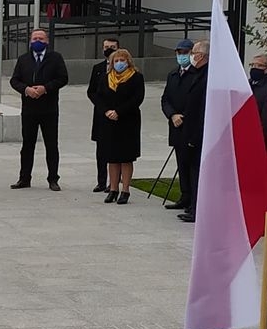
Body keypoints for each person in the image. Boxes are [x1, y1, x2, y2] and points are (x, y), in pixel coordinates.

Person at [9, 24, 69, 190]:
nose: (37, 41)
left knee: (51, 144)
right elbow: (14, 80)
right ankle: (24, 178)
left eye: (41, 39)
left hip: (49, 109)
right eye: (35, 39)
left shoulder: (55, 57)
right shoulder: (23, 59)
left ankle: (53, 179)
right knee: (27, 145)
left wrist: (45, 88)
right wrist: (26, 89)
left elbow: (63, 78)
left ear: (47, 41)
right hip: (29, 109)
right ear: (30, 41)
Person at [86, 39, 146, 204]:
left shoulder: (136, 77)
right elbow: (98, 96)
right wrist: (107, 111)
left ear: (128, 61)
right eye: (117, 61)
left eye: (122, 60)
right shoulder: (107, 78)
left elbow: (137, 98)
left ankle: (125, 190)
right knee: (111, 157)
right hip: (108, 122)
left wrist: (119, 111)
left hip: (127, 121)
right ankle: (113, 188)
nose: (119, 63)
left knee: (125, 157)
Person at [160, 38, 208, 221]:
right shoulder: (173, 74)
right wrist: (172, 114)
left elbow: (197, 103)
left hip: (191, 127)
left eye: (188, 52)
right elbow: (165, 98)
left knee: (194, 167)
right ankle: (185, 196)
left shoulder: (198, 75)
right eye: (179, 53)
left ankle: (194, 205)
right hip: (177, 126)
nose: (182, 56)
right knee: (182, 164)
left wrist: (184, 116)